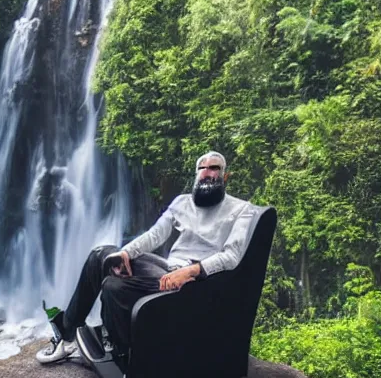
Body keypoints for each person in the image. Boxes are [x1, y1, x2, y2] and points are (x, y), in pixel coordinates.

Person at [36, 151, 256, 364]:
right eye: (202, 168)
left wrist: (190, 271)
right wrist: (125, 253)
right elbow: (155, 234)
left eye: (214, 168)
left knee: (114, 286)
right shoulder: (182, 202)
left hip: (198, 282)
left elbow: (232, 256)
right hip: (167, 269)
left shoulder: (241, 209)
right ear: (196, 174)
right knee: (100, 256)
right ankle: (67, 336)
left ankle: (124, 355)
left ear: (225, 175)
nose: (207, 172)